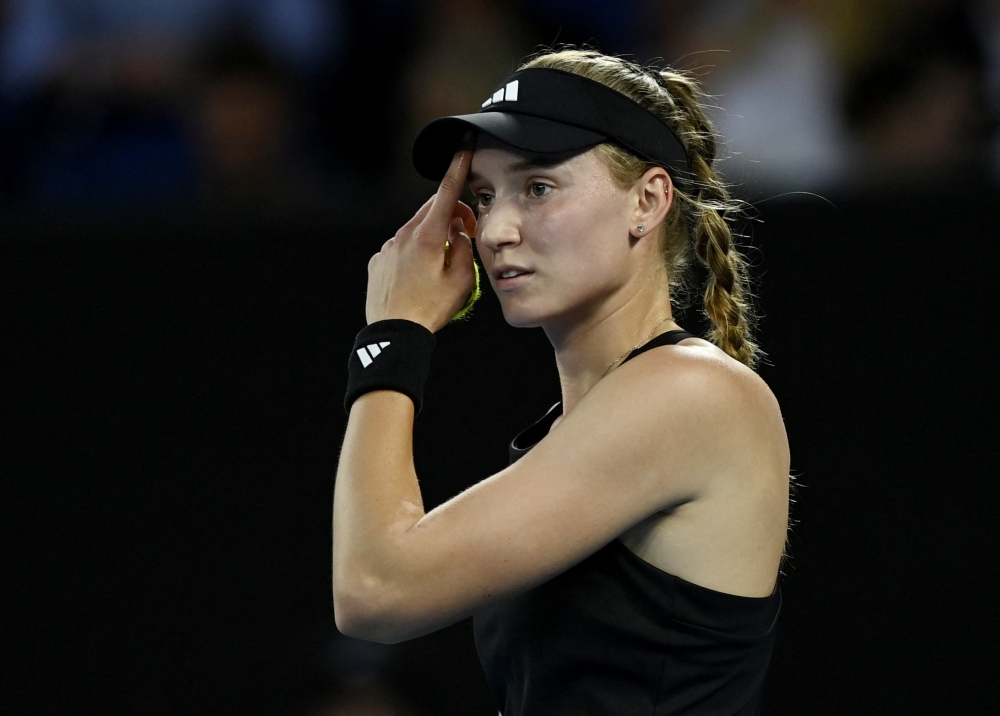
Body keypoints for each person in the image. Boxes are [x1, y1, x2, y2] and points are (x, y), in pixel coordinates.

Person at [333, 48, 790, 716]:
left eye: (537, 188)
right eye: (483, 196)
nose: (495, 229)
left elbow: (375, 588)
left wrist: (394, 333)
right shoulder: (586, 426)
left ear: (647, 200)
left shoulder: (693, 393)